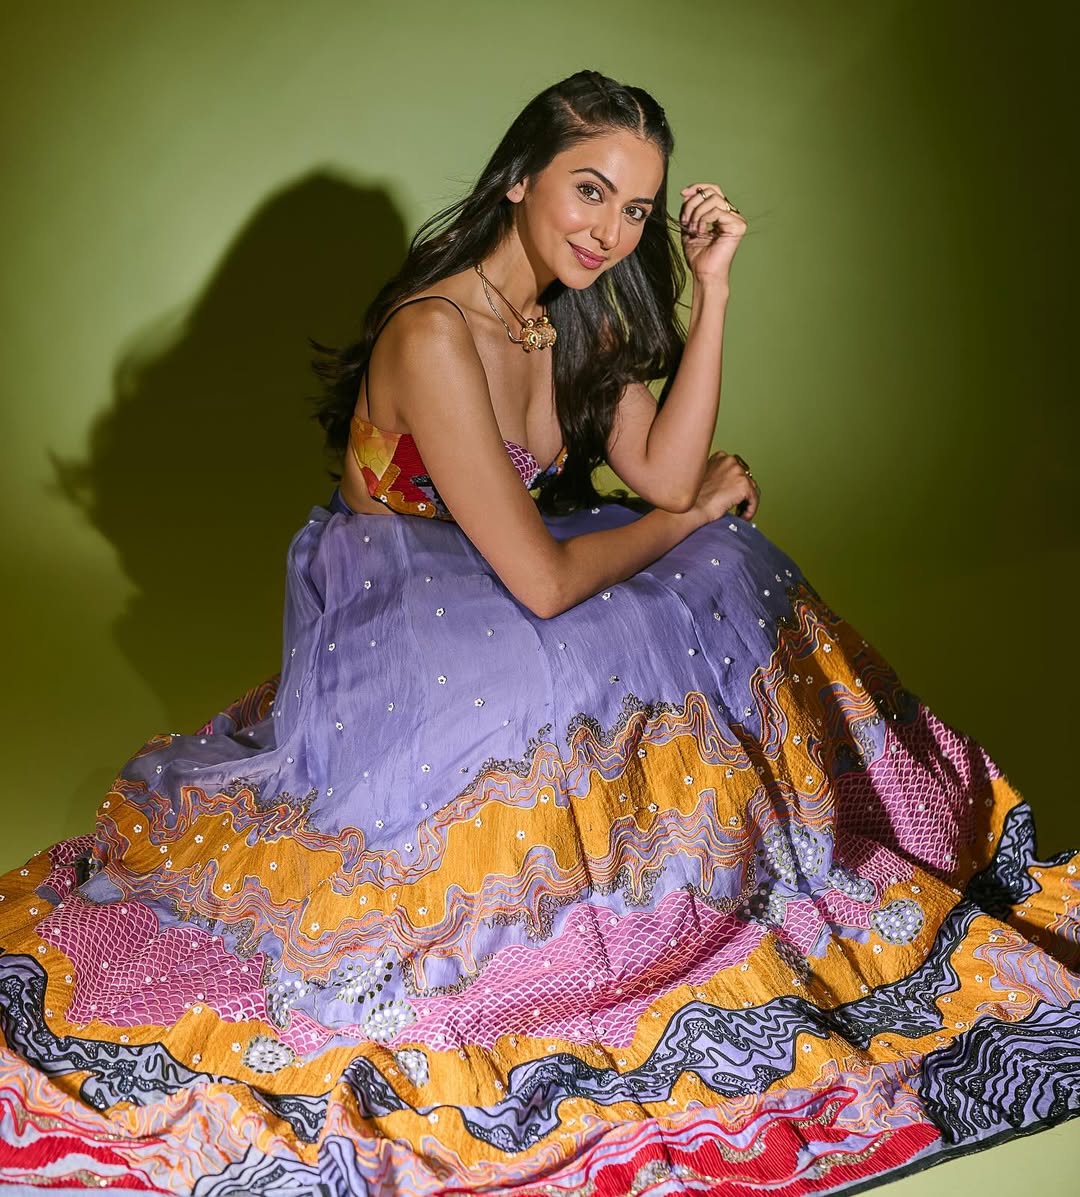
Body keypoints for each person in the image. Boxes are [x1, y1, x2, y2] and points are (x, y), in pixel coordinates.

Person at [0, 69, 1076, 1197]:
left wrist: (713, 290)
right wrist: (686, 516)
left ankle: (768, 864)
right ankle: (609, 908)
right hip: (402, 610)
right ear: (519, 179)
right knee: (589, 625)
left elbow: (665, 474)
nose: (610, 231)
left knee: (733, 563)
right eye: (589, 191)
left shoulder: (572, 308)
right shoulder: (432, 333)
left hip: (510, 572)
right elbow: (552, 579)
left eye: (637, 210)